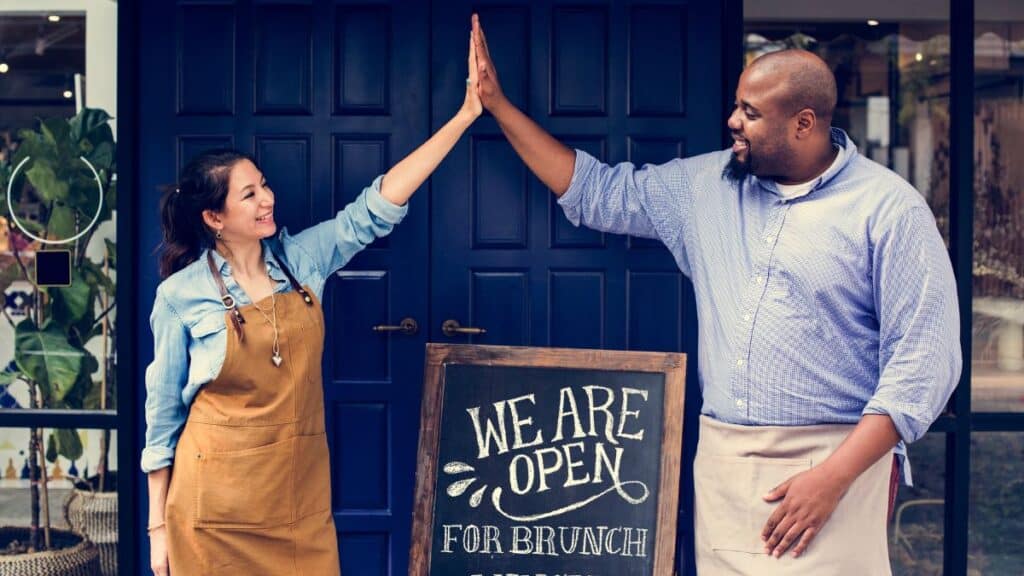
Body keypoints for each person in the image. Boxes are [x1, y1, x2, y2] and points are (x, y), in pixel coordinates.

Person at [470, 15, 960, 575]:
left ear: (804, 123)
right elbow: (599, 192)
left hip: (837, 463)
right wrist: (498, 105)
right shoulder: (705, 187)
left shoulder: (889, 210)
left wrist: (831, 478)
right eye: (737, 105)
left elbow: (923, 367)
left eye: (750, 113)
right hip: (725, 461)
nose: (732, 121)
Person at [142, 34, 483, 576]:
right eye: (248, 194)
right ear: (214, 217)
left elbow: (375, 207)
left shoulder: (300, 261)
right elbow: (162, 421)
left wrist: (465, 116)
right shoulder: (179, 296)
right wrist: (158, 529)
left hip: (296, 503)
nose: (267, 199)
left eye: (265, 185)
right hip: (213, 515)